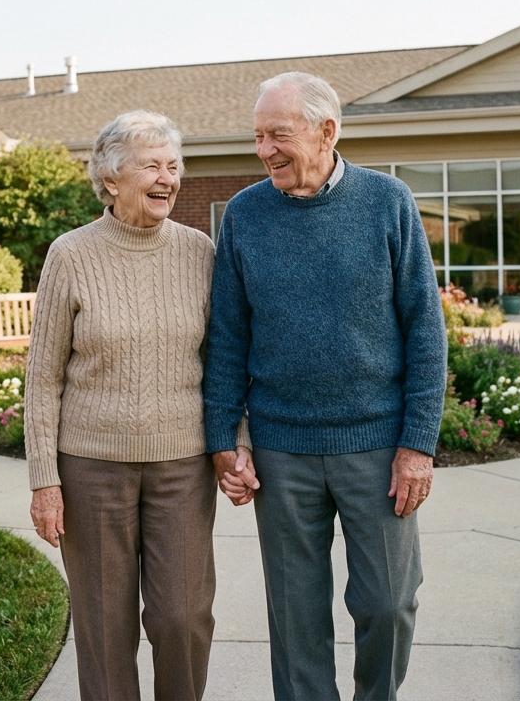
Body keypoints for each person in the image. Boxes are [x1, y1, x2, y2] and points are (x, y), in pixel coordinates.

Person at [204, 72, 447, 701]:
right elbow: (228, 337)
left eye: (278, 135)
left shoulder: (387, 202)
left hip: (378, 447)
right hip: (282, 451)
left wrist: (418, 445)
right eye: (258, 137)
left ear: (326, 132)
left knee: (389, 603)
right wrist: (225, 440)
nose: (265, 150)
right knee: (295, 619)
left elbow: (426, 329)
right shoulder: (244, 215)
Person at [25, 109, 245, 700]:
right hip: (91, 470)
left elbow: (224, 360)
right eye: (152, 165)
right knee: (103, 627)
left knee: (183, 617)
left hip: (182, 466)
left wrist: (236, 443)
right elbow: (42, 379)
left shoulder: (200, 252)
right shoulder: (70, 255)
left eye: (174, 166)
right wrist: (46, 481)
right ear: (111, 177)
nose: (168, 178)